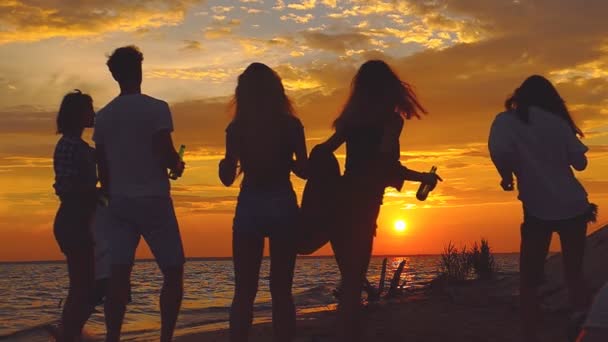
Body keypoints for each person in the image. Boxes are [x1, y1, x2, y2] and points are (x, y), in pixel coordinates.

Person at [319, 60, 441, 342]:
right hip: (364, 204)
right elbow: (386, 164)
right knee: (353, 278)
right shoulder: (390, 121)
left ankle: (345, 332)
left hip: (340, 198)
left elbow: (324, 151)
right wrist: (423, 176)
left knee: (349, 278)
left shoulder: (350, 121)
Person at [488, 75, 596, 342]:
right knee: (574, 271)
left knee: (530, 276)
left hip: (537, 209)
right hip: (573, 206)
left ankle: (529, 333)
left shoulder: (505, 122)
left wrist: (506, 176)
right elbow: (580, 164)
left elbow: (499, 152)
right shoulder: (558, 122)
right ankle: (582, 329)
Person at [94, 45, 186, 342]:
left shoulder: (104, 117)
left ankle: (113, 337)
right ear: (140, 70)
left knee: (119, 275)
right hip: (154, 200)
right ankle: (166, 337)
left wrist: (110, 199)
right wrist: (177, 165)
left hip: (119, 203)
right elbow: (165, 152)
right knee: (172, 272)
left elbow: (102, 167)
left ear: (114, 75)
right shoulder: (156, 108)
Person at [219, 62, 308, 342]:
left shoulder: (236, 128)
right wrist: (294, 162)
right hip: (282, 201)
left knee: (244, 290)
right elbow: (304, 171)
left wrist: (225, 163)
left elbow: (226, 178)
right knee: (281, 288)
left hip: (250, 203)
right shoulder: (291, 125)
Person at [52, 90, 97, 341]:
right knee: (83, 287)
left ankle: (69, 333)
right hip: (73, 220)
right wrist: (97, 192)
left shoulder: (82, 147)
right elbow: (66, 187)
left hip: (81, 220)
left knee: (86, 286)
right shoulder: (68, 146)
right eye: (89, 109)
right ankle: (67, 334)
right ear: (78, 114)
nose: (93, 113)